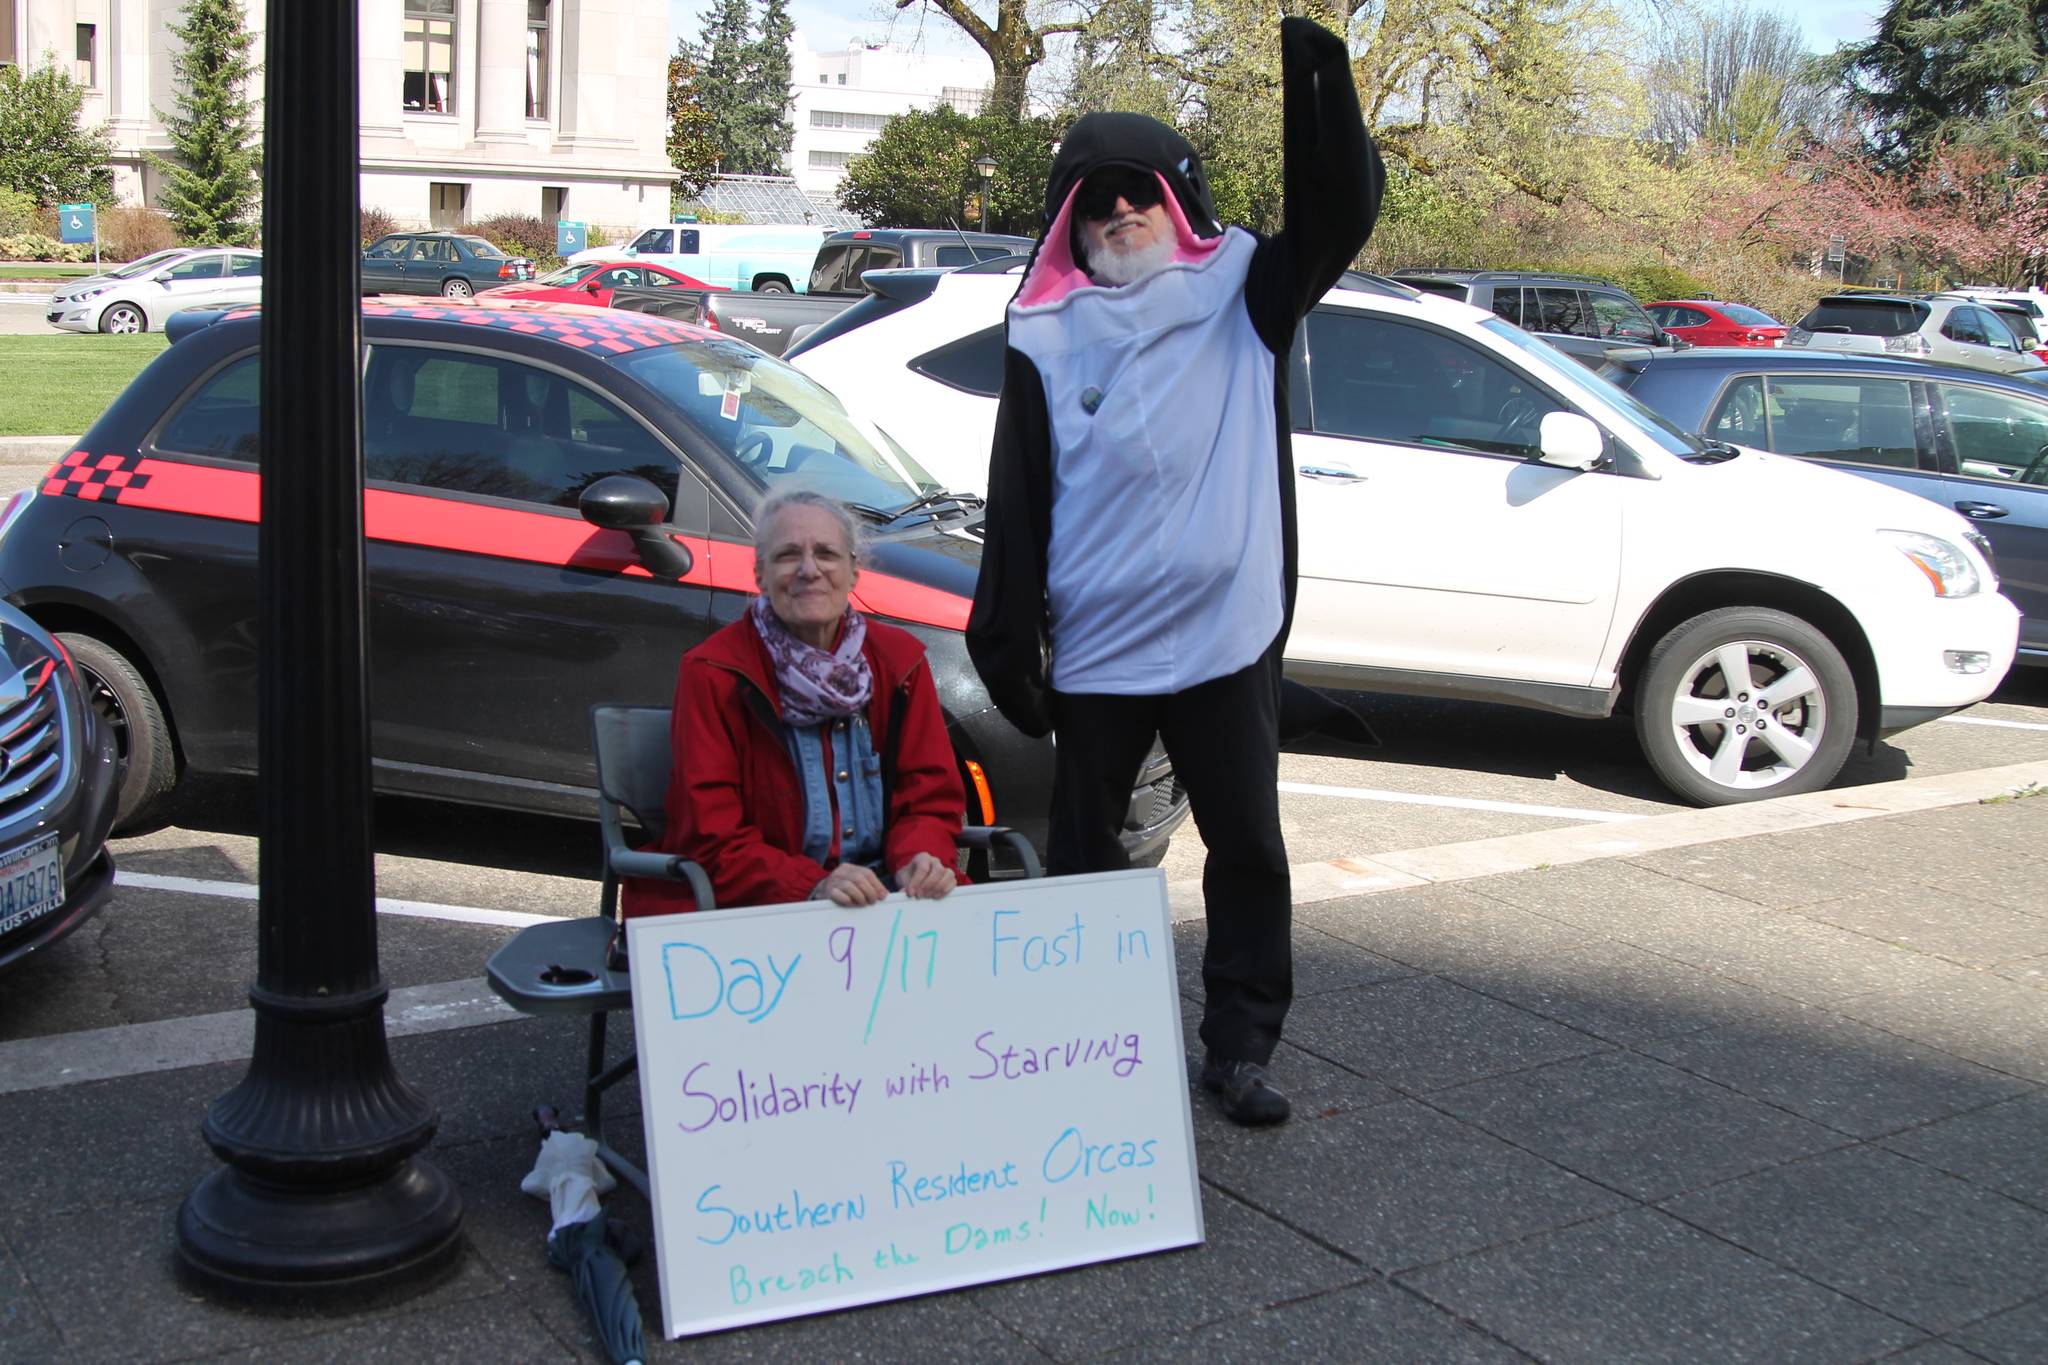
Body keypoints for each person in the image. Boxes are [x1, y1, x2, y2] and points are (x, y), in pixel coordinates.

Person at [966, 16, 1382, 1126]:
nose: (1116, 214)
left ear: (1176, 196)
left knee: (1245, 846)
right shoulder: (1044, 331)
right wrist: (1006, 642)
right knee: (1088, 855)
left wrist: (1314, 78)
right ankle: (1085, 1046)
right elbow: (1018, 495)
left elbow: (1338, 210)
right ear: (1067, 218)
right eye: (1093, 201)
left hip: (1221, 636)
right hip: (1098, 646)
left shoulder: (1246, 289)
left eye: (1136, 193)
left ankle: (1238, 1047)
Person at [624, 488, 966, 914]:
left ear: (853, 572)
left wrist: (919, 857)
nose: (809, 570)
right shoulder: (714, 671)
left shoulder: (900, 662)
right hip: (765, 904)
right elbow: (711, 836)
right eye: (788, 555)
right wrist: (814, 885)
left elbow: (929, 798)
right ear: (760, 574)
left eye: (826, 553)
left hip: (887, 897)